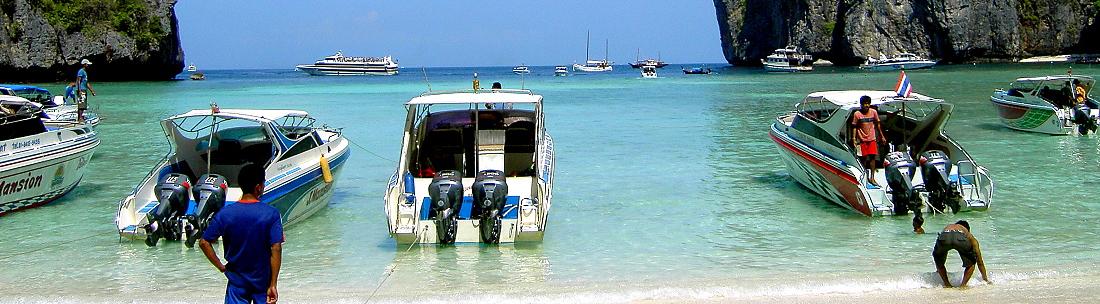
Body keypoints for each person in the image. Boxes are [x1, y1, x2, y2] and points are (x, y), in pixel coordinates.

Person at [199, 164, 284, 304]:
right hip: (262, 282)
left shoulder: (226, 213)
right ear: (258, 187)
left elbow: (204, 242)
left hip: (236, 282)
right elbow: (276, 248)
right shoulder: (271, 214)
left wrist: (221, 267)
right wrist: (273, 283)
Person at [933, 220, 989, 288]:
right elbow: (979, 260)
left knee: (938, 259)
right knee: (971, 263)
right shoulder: (967, 233)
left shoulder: (949, 227)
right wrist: (985, 279)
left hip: (944, 236)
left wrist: (939, 266)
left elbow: (939, 258)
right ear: (967, 229)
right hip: (959, 238)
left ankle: (947, 284)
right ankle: (963, 285)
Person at [849, 96, 886, 186]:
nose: (866, 105)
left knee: (873, 158)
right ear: (861, 104)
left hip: (872, 139)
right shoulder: (857, 114)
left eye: (868, 103)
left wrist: (882, 136)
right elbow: (854, 127)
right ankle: (864, 176)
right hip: (862, 140)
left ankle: (872, 178)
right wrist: (854, 139)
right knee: (864, 159)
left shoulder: (873, 112)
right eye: (864, 104)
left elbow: (878, 125)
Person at [75, 59, 96, 123]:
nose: (88, 65)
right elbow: (78, 80)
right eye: (87, 64)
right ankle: (80, 118)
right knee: (82, 104)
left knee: (83, 104)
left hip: (84, 89)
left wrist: (92, 91)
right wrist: (79, 90)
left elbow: (86, 83)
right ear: (84, 64)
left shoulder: (85, 72)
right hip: (81, 89)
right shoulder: (81, 71)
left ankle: (80, 117)